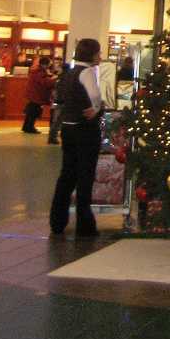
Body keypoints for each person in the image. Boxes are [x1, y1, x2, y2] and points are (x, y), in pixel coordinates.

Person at [49, 38, 104, 238]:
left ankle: (57, 220)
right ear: (91, 55)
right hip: (85, 130)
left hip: (69, 128)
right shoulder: (87, 73)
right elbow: (95, 97)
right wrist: (97, 108)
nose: (100, 56)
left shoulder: (69, 73)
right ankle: (85, 224)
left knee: (67, 175)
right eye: (98, 53)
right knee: (85, 176)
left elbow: (61, 99)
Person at [22, 55, 56, 134]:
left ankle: (26, 126)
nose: (49, 67)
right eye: (48, 65)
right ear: (44, 64)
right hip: (36, 94)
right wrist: (54, 80)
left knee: (30, 111)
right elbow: (45, 83)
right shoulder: (39, 72)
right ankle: (30, 127)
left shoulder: (36, 70)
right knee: (34, 111)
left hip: (33, 93)